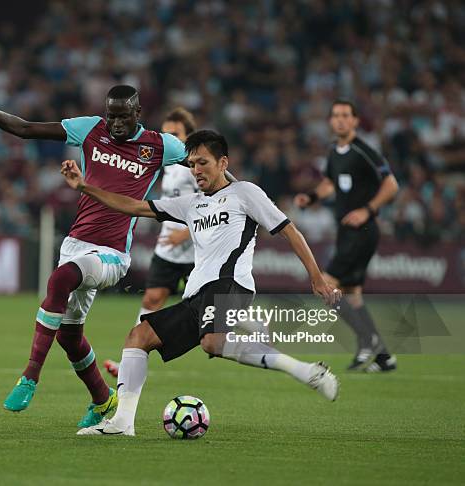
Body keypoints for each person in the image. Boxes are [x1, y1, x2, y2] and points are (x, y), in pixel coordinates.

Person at [60, 130, 342, 436]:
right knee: (138, 337)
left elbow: (289, 230)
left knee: (212, 341)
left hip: (230, 285)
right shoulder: (190, 204)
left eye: (203, 162)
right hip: (197, 295)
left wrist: (316, 277)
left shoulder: (245, 193)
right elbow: (134, 206)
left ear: (223, 163)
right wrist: (85, 187)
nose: (196, 170)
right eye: (192, 164)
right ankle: (122, 423)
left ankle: (306, 372)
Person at [0, 71, 188, 427]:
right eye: (110, 115)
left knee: (61, 279)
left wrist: (238, 192)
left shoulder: (160, 146)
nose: (114, 123)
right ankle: (101, 399)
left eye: (122, 116)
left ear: (138, 112)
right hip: (76, 244)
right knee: (68, 334)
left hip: (112, 255)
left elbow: (202, 160)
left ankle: (30, 376)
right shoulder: (90, 129)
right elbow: (26, 128)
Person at [294, 100, 399, 372]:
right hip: (346, 232)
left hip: (362, 231)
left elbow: (391, 184)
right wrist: (313, 196)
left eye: (346, 116)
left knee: (326, 285)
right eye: (336, 115)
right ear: (330, 121)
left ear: (355, 121)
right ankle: (384, 357)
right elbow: (330, 182)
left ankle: (369, 340)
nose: (340, 120)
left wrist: (367, 210)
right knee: (352, 295)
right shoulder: (334, 151)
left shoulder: (363, 151)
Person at [104, 107, 198, 378]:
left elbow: (211, 205)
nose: (170, 139)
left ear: (188, 137)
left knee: (211, 307)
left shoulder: (195, 167)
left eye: (176, 134)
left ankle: (254, 325)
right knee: (152, 298)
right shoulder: (167, 166)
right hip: (168, 249)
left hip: (197, 251)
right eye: (167, 134)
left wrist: (187, 231)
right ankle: (130, 361)